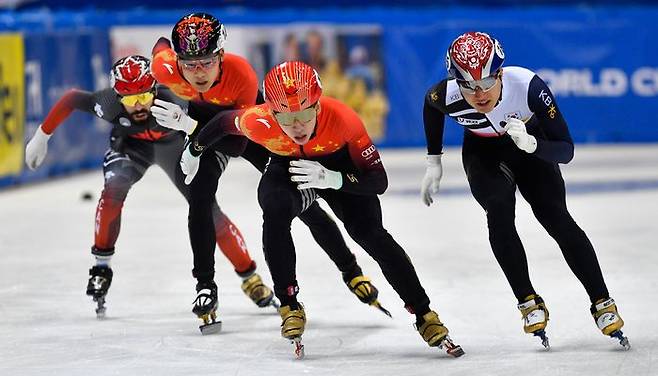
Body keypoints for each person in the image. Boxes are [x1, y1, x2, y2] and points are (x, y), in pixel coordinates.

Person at [160, 61, 465, 359]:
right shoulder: (259, 120)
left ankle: (424, 313)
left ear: (318, 106)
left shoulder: (344, 120)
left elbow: (378, 181)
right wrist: (194, 149)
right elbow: (223, 123)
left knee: (368, 233)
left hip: (341, 169)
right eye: (285, 117)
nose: (297, 125)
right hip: (289, 166)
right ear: (271, 112)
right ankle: (289, 303)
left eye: (305, 114)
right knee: (275, 208)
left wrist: (333, 179)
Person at [150, 13, 390, 328]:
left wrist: (188, 125)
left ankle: (350, 270)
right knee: (199, 198)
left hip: (251, 132)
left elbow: (236, 145)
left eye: (207, 61)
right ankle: (205, 285)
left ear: (221, 55)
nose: (198, 73)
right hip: (204, 131)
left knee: (304, 206)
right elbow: (159, 49)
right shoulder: (165, 68)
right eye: (189, 64)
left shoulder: (242, 75)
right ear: (177, 61)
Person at [420, 31, 629, 350]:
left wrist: (533, 144)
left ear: (500, 73)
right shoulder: (446, 95)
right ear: (457, 82)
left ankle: (601, 300)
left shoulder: (529, 87)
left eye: (487, 82)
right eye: (469, 86)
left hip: (533, 150)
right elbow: (430, 106)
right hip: (483, 155)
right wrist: (434, 160)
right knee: (498, 211)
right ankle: (527, 300)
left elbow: (566, 150)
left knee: (556, 218)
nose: (479, 94)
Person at [23, 55, 274, 321]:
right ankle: (100, 267)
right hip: (132, 148)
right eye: (130, 100)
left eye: (144, 96)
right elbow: (71, 98)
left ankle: (250, 276)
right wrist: (42, 136)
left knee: (207, 210)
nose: (139, 105)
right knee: (113, 190)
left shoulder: (175, 98)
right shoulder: (107, 104)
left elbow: (214, 122)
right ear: (118, 97)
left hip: (174, 149)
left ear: (155, 89)